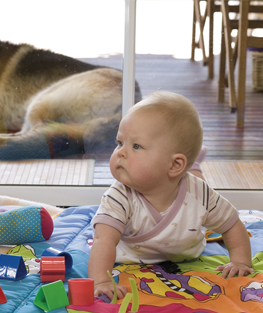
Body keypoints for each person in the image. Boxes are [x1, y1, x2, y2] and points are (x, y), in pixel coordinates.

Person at [88, 91, 254, 300]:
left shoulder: (200, 195)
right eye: (120, 142)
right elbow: (103, 240)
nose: (120, 152)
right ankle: (194, 164)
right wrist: (101, 281)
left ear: (175, 163)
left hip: (184, 191)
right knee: (186, 178)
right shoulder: (119, 196)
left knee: (193, 181)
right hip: (133, 257)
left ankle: (194, 165)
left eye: (136, 146)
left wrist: (240, 261)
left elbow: (231, 224)